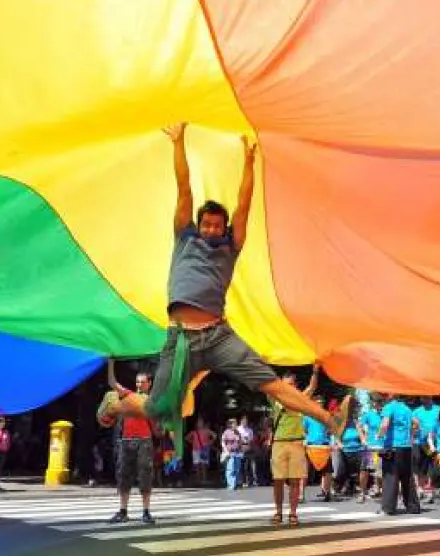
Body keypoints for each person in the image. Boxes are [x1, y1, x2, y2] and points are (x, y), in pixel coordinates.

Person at [98, 123, 349, 441]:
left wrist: (249, 162)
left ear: (225, 228)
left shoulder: (231, 246)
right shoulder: (185, 237)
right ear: (198, 224)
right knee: (158, 408)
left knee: (271, 383)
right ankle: (114, 404)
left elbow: (244, 205)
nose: (212, 230)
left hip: (219, 337)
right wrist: (178, 142)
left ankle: (330, 419)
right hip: (182, 340)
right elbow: (184, 188)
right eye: (207, 224)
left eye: (218, 226)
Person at [110, 371, 157, 524]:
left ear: (149, 384)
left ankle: (146, 512)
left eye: (143, 382)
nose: (139, 385)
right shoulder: (128, 395)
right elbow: (112, 383)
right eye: (137, 382)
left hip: (144, 441)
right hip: (126, 440)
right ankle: (123, 511)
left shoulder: (152, 400)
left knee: (145, 476)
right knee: (124, 475)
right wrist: (111, 363)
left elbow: (156, 424)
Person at [269, 371, 315, 526]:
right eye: (285, 384)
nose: (287, 387)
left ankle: (293, 513)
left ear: (295, 385)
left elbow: (312, 387)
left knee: (295, 481)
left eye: (290, 384)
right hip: (279, 443)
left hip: (296, 443)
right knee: (278, 480)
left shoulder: (300, 398)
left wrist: (316, 370)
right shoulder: (275, 398)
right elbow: (265, 384)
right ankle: (278, 512)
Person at [377, 394, 420, 515]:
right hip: (407, 447)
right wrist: (411, 435)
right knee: (407, 478)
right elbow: (416, 423)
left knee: (390, 477)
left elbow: (385, 424)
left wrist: (379, 435)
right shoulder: (406, 408)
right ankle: (413, 507)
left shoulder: (389, 407)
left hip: (393, 446)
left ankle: (388, 508)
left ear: (389, 397)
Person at [357, 396, 383, 503]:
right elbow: (359, 426)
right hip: (369, 447)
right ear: (372, 403)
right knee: (364, 470)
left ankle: (380, 491)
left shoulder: (385, 414)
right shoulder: (368, 414)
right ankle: (362, 493)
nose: (377, 403)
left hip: (382, 447)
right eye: (375, 401)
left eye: (379, 401)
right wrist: (362, 438)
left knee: (381, 471)